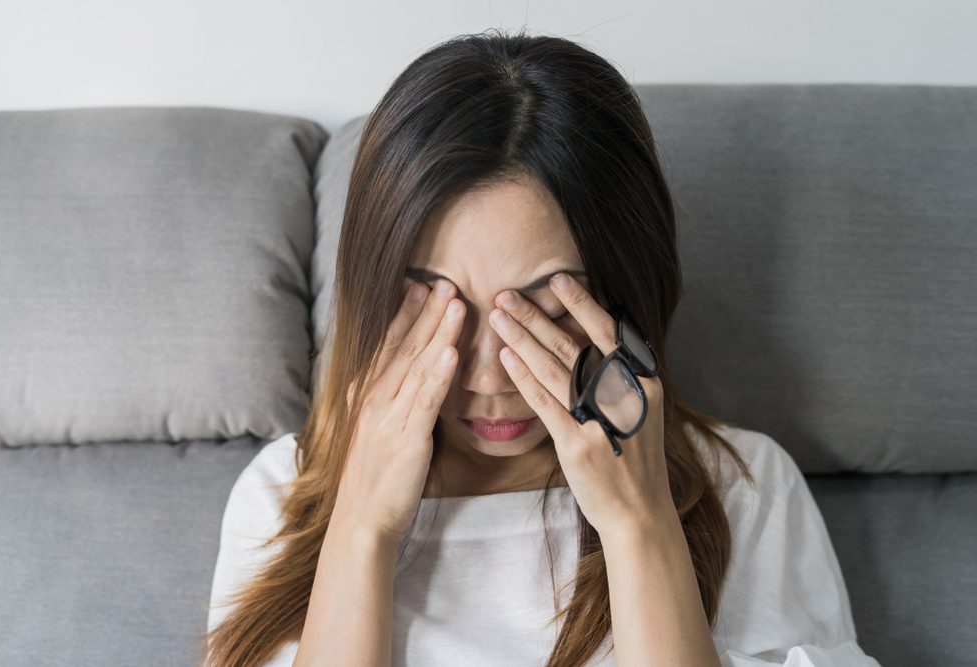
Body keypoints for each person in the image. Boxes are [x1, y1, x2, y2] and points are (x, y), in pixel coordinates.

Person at [201, 28, 883, 667]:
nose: (490, 374)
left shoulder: (744, 485)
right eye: (440, 313)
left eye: (543, 315)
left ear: (627, 292)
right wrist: (363, 525)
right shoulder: (278, 496)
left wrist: (639, 524)